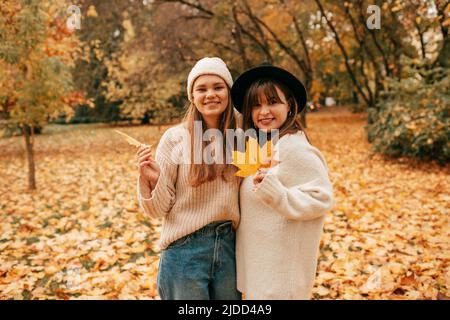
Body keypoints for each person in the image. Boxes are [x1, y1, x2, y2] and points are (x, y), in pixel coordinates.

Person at [137, 57, 242, 300]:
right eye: (201, 89)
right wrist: (152, 181)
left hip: (229, 249)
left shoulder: (242, 137)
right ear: (192, 96)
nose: (210, 95)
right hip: (185, 251)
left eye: (218, 87)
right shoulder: (175, 138)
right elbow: (157, 209)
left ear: (228, 91)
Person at [231, 63, 334, 299]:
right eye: (256, 105)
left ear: (289, 106)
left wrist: (276, 193)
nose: (264, 111)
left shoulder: (294, 148)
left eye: (272, 102)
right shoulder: (262, 146)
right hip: (261, 270)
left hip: (281, 279)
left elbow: (322, 198)